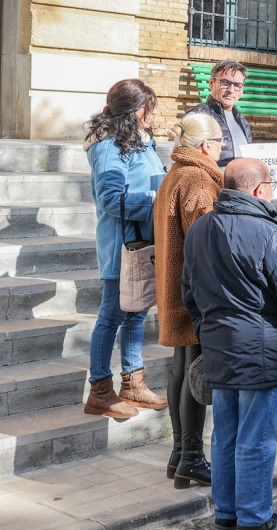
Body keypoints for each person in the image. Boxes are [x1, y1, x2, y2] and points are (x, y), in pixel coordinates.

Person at [183, 158, 277, 530]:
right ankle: (255, 518)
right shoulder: (268, 231)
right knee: (256, 438)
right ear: (259, 190)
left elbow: (189, 293)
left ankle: (227, 514)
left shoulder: (200, 228)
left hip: (220, 344)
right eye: (271, 185)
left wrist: (209, 330)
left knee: (225, 434)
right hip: (261, 348)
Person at [83, 79, 167, 419]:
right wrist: (158, 201)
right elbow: (110, 198)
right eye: (150, 108)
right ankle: (100, 391)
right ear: (136, 111)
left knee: (137, 312)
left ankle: (133, 383)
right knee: (111, 316)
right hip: (122, 246)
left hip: (142, 242)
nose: (154, 114)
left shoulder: (139, 142)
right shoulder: (108, 147)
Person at [153, 113, 224, 489]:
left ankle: (180, 456)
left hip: (177, 286)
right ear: (206, 146)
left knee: (182, 368)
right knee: (193, 371)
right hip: (195, 290)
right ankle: (190, 458)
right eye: (221, 141)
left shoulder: (177, 172)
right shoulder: (198, 178)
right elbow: (206, 240)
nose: (224, 147)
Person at [185, 60, 251, 168]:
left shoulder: (241, 120)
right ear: (212, 84)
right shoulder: (198, 116)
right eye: (225, 83)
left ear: (242, 89)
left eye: (237, 85)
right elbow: (184, 159)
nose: (231, 90)